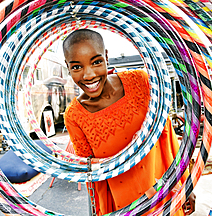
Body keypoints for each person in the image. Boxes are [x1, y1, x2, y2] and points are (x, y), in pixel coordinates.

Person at [63, 29, 195, 215]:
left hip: (164, 196)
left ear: (106, 57)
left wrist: (186, 182)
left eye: (96, 62)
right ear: (67, 67)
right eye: (77, 67)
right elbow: (92, 174)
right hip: (123, 207)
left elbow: (168, 137)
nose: (89, 75)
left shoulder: (141, 82)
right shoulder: (74, 115)